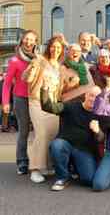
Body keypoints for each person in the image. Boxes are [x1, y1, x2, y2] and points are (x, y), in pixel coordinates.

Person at [41, 83, 103, 191]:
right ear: (85, 95)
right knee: (57, 145)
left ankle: (75, 166)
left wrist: (97, 131)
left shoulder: (100, 114)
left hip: (84, 150)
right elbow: (49, 107)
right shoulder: (71, 106)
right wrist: (45, 88)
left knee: (88, 180)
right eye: (91, 95)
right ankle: (63, 177)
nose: (93, 99)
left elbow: (102, 138)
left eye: (97, 97)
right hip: (66, 145)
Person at [22, 36, 65, 183]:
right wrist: (33, 65)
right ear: (49, 47)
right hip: (37, 102)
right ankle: (35, 168)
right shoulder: (39, 60)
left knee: (52, 134)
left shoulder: (59, 66)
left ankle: (45, 165)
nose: (56, 49)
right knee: (41, 133)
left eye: (59, 47)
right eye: (53, 46)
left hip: (52, 103)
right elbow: (26, 78)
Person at [2, 30, 38, 175]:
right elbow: (7, 83)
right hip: (21, 99)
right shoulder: (14, 60)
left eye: (32, 40)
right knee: (23, 132)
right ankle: (22, 161)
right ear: (22, 40)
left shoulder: (38, 58)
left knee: (40, 131)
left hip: (36, 99)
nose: (29, 42)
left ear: (35, 42)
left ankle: (38, 160)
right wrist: (5, 102)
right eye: (26, 39)